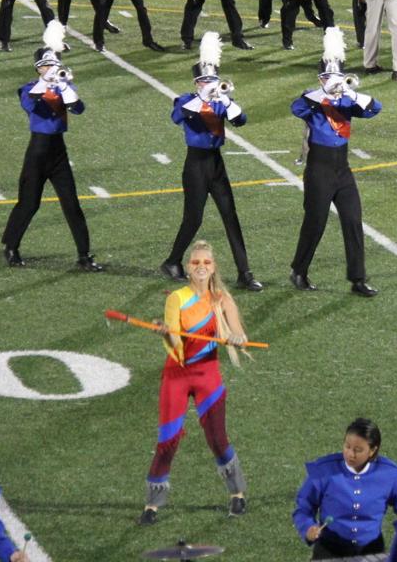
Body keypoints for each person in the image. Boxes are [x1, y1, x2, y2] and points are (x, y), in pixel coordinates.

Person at [141, 239, 250, 525]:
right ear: (189, 268)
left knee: (217, 439)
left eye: (207, 262)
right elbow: (176, 342)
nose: (201, 266)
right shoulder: (176, 298)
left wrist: (237, 338)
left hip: (207, 375)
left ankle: (237, 493)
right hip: (176, 375)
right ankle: (153, 504)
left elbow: (238, 332)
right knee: (168, 441)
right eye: (196, 262)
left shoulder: (222, 299)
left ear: (214, 268)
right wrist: (167, 333)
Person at [160, 32, 263, 292]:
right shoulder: (186, 100)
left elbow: (242, 121)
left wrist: (226, 101)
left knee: (231, 216)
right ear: (197, 83)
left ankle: (245, 273)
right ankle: (172, 261)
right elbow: (177, 117)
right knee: (193, 219)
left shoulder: (220, 102)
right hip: (195, 165)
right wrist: (204, 98)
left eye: (213, 80)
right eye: (205, 80)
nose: (210, 84)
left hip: (216, 164)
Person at [0, 22, 102, 272]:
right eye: (46, 65)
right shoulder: (27, 89)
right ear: (38, 68)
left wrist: (63, 84)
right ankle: (11, 246)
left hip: (58, 152)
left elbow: (78, 108)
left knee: (71, 204)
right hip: (37, 152)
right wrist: (46, 82)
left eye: (54, 64)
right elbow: (31, 104)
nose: (52, 69)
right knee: (29, 203)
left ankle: (84, 255)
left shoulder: (63, 87)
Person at [289, 28, 381, 295]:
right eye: (329, 77)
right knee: (315, 222)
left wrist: (351, 95)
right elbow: (296, 108)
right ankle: (299, 270)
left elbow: (375, 109)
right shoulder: (312, 98)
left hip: (342, 167)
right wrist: (324, 94)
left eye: (337, 76)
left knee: (353, 220)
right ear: (321, 79)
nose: (334, 81)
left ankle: (357, 279)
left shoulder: (346, 99)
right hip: (319, 167)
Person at [293, 418, 397, 559]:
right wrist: (308, 527)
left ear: (372, 450)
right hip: (329, 551)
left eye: (358, 450)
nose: (350, 454)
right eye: (347, 446)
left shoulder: (390, 474)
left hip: (372, 552)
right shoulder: (323, 470)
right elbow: (303, 507)